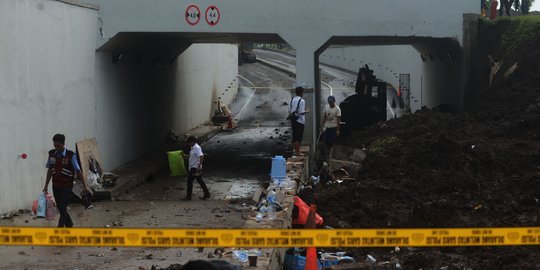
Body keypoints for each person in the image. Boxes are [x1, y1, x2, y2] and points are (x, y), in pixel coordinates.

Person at [43, 134, 88, 227]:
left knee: (63, 207)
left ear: (63, 144)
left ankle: (60, 228)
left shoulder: (71, 156)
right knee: (60, 207)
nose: (56, 148)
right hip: (56, 186)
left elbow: (78, 171)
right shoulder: (52, 155)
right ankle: (69, 224)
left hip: (67, 186)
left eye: (58, 146)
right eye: (54, 145)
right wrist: (46, 185)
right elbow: (50, 170)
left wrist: (85, 186)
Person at [181, 136, 210, 200]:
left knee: (189, 181)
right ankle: (207, 193)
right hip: (194, 167)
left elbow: (201, 156)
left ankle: (188, 196)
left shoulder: (197, 148)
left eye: (189, 142)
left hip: (195, 168)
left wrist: (199, 166)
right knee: (200, 181)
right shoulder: (192, 148)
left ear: (192, 142)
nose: (188, 144)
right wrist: (184, 156)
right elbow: (192, 157)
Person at [288, 86, 309, 156]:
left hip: (293, 120)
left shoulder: (291, 100)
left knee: (295, 136)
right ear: (302, 92)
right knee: (299, 137)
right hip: (300, 121)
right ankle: (298, 152)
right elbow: (301, 112)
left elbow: (289, 111)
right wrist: (307, 111)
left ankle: (295, 151)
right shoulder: (302, 101)